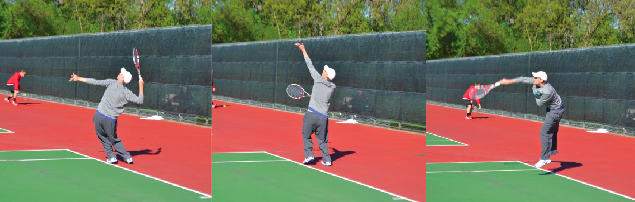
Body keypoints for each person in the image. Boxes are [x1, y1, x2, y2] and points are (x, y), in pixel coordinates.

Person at [69, 68, 144, 164]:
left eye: (121, 74)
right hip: (111, 120)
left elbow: (95, 82)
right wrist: (141, 86)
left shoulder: (112, 82)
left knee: (103, 137)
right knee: (114, 139)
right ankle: (127, 157)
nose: (119, 73)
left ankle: (112, 157)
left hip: (99, 116)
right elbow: (140, 100)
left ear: (122, 79)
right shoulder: (127, 93)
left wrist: (78, 78)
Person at [499, 71, 563, 168]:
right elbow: (522, 79)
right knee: (552, 130)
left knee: (544, 132)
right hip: (552, 108)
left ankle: (545, 158)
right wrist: (508, 81)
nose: (533, 79)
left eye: (536, 78)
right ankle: (552, 149)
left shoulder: (547, 91)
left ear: (541, 80)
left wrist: (535, 93)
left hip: (555, 111)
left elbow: (539, 103)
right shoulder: (537, 82)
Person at [296, 43, 337, 166]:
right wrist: (314, 96)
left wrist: (303, 50)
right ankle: (327, 160)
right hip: (323, 118)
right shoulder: (333, 88)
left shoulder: (318, 79)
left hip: (312, 114)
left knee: (306, 135)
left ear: (325, 75)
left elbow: (310, 65)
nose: (322, 70)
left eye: (324, 70)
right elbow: (324, 98)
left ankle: (309, 156)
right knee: (322, 140)